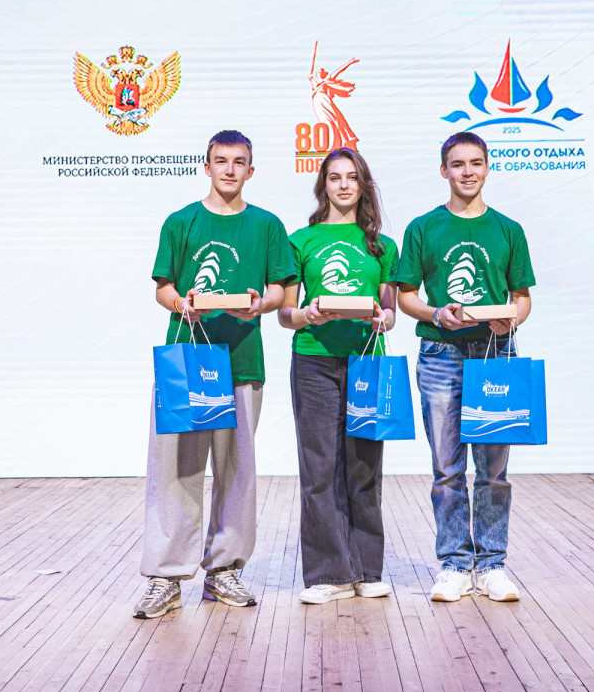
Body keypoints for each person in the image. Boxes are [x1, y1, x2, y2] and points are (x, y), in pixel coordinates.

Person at [134, 130, 296, 619]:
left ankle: (223, 569)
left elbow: (279, 291)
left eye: (239, 161)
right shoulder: (180, 221)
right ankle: (166, 575)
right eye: (221, 161)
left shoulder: (267, 225)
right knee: (176, 469)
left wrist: (259, 305)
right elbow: (163, 287)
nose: (229, 169)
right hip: (186, 363)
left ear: (251, 169)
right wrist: (181, 302)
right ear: (206, 167)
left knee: (236, 471)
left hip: (242, 361)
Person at [395, 131, 535, 603]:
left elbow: (522, 299)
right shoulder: (423, 228)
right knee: (447, 470)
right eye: (458, 164)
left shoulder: (509, 230)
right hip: (441, 355)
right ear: (444, 171)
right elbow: (406, 296)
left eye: (476, 163)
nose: (467, 172)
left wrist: (509, 319)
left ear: (488, 167)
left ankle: (492, 564)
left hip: (496, 355)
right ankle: (454, 564)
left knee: (493, 470)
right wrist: (437, 313)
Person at [278, 148, 399, 604]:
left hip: (367, 361)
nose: (344, 185)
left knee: (365, 468)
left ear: (363, 184)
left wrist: (384, 318)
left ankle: (366, 570)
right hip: (313, 361)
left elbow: (389, 310)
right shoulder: (300, 241)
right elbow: (285, 314)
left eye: (352, 177)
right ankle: (328, 574)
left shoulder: (383, 247)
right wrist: (307, 314)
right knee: (320, 468)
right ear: (323, 185)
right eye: (334, 177)